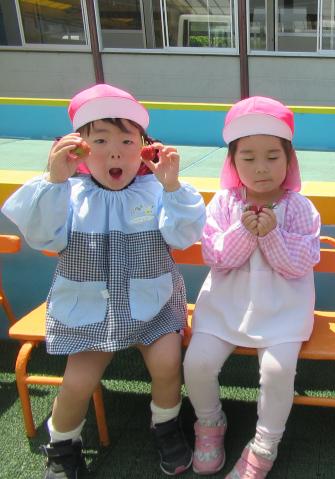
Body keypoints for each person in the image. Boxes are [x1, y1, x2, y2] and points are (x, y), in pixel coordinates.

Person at [1, 83, 206, 478]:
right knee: (78, 382)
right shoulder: (67, 193)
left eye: (127, 141)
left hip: (154, 305)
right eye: (100, 140)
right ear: (77, 149)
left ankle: (165, 426)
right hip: (90, 310)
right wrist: (54, 181)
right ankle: (62, 446)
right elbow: (43, 236)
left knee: (167, 364)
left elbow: (183, 235)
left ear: (144, 147)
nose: (115, 152)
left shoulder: (156, 190)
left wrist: (172, 186)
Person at [183, 96, 321, 478]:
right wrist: (245, 231)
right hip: (225, 304)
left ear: (289, 160)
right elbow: (216, 256)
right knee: (197, 364)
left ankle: (264, 444)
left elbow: (299, 265)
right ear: (232, 162)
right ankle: (210, 421)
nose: (261, 168)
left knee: (277, 371)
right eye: (248, 157)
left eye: (273, 157)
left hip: (283, 309)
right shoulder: (223, 203)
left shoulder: (301, 208)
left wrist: (273, 236)